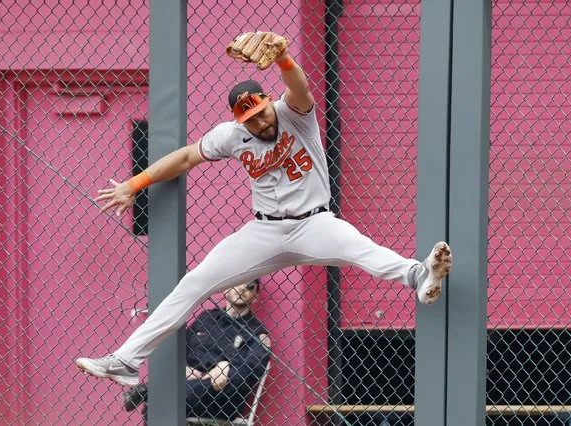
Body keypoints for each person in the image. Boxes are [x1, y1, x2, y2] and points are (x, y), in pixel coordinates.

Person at [76, 30, 452, 387]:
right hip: (265, 231)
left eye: (260, 113)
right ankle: (126, 361)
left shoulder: (293, 113)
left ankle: (419, 275)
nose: (258, 122)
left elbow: (299, 87)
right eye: (249, 119)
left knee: (361, 249)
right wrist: (133, 185)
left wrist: (284, 58)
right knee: (194, 282)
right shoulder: (232, 134)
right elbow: (187, 156)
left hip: (314, 224)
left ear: (267, 102)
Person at [121, 279, 270, 424]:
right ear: (226, 288)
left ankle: (148, 391)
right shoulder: (206, 319)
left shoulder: (256, 332)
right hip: (187, 384)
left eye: (250, 287)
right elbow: (179, 350)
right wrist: (181, 369)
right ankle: (156, 393)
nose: (243, 288)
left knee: (168, 398)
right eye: (239, 282)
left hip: (222, 397)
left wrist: (226, 367)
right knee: (160, 405)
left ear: (256, 297)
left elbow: (252, 370)